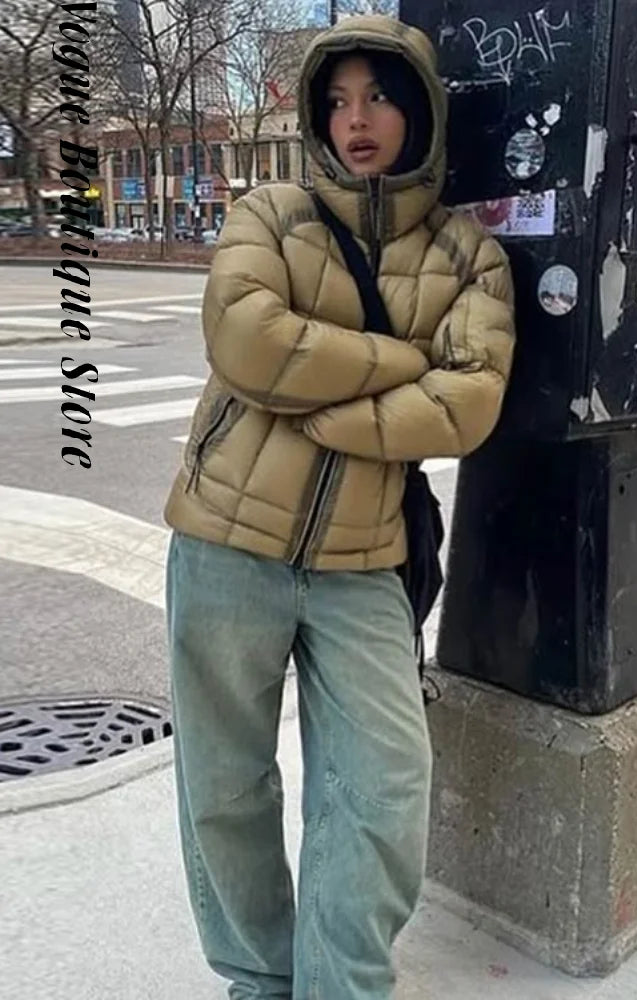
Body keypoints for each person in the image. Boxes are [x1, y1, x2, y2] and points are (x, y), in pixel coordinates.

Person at [163, 14, 515, 1000]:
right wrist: (407, 364)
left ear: (419, 110)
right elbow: (249, 342)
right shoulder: (269, 212)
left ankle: (338, 985)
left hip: (365, 561)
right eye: (339, 99)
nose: (357, 119)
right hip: (225, 544)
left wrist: (325, 407)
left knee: (384, 791)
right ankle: (259, 978)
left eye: (379, 96)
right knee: (227, 786)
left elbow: (471, 399)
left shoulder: (466, 253)